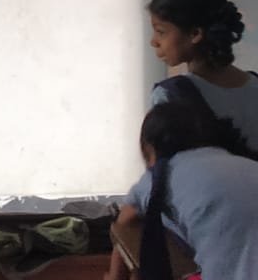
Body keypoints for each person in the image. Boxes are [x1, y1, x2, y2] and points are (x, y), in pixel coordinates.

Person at [103, 102, 258, 280]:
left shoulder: (162, 173)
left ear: (148, 149)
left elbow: (123, 226)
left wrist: (114, 276)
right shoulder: (244, 164)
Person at [146, 0, 258, 154]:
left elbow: (164, 165)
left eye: (161, 32)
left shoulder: (170, 96)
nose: (153, 42)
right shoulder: (255, 85)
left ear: (195, 34)